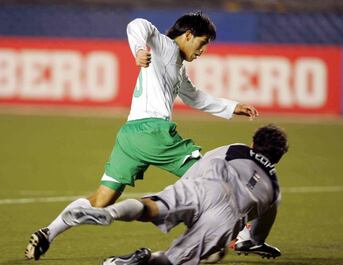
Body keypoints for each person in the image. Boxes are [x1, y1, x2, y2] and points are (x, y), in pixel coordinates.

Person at [24, 11, 258, 260]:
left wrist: (233, 107)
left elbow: (196, 97)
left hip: (130, 137)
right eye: (202, 43)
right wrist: (138, 49)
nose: (202, 51)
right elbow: (138, 24)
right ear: (188, 35)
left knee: (101, 199)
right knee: (216, 174)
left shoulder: (177, 68)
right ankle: (239, 236)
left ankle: (48, 232)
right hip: (153, 133)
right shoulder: (165, 46)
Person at [62, 124, 288, 265]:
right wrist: (251, 241)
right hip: (228, 218)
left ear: (253, 143)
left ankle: (110, 213)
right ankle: (139, 261)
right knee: (173, 259)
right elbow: (258, 232)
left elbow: (205, 163)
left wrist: (181, 196)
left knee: (150, 207)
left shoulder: (238, 148)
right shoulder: (275, 189)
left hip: (206, 187)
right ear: (278, 157)